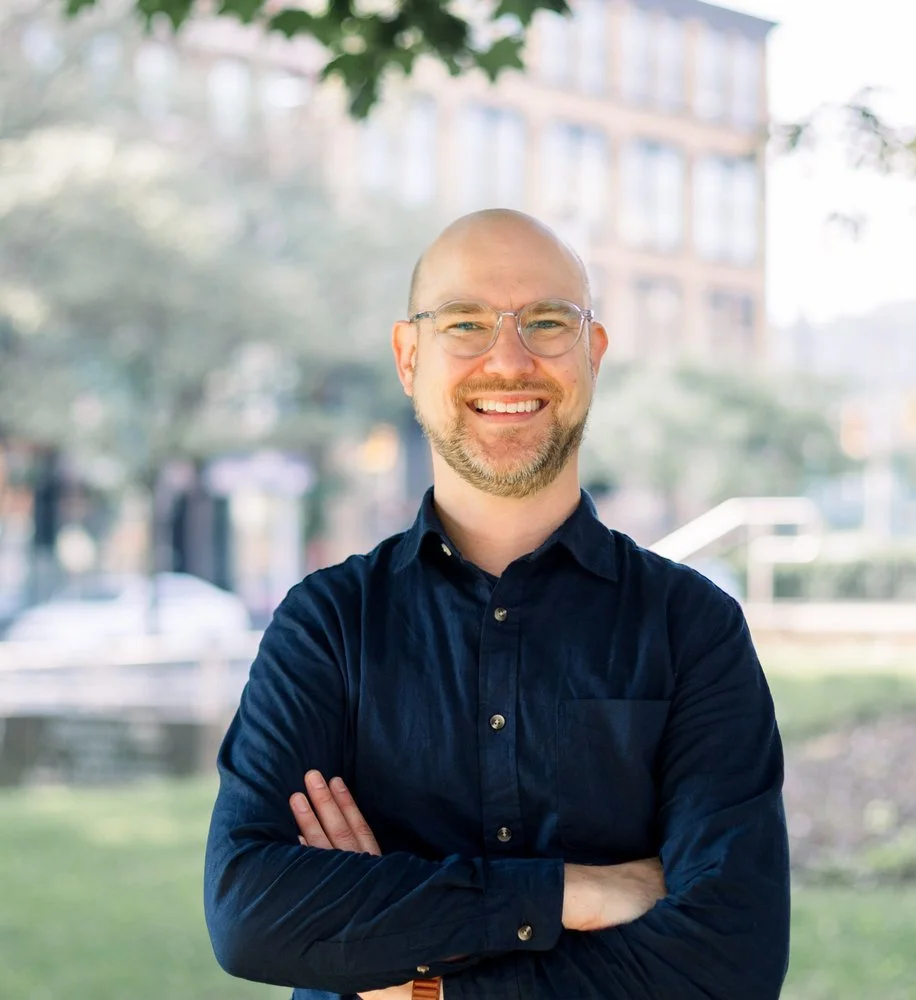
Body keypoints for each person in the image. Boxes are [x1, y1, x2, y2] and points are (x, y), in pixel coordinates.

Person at [204, 209, 790, 1000]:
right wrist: (567, 894)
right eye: (465, 323)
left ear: (594, 353)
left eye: (548, 322)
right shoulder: (328, 626)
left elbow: (732, 958)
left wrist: (418, 978)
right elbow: (251, 912)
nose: (508, 360)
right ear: (409, 358)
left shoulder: (693, 629)